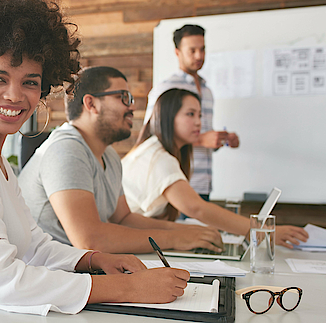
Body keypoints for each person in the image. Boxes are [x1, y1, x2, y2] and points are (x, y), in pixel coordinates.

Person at [0, 0, 189, 317]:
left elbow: (33, 245)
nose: (14, 96)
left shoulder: (0, 162)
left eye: (30, 82)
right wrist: (128, 288)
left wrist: (93, 259)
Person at [18, 66, 223, 254]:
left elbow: (123, 219)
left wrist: (187, 232)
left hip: (78, 271)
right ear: (91, 104)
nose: (132, 107)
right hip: (49, 277)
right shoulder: (66, 149)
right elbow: (90, 240)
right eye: (123, 97)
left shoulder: (109, 156)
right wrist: (175, 237)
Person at [122, 88, 309, 248]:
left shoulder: (157, 150)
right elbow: (197, 208)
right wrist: (260, 230)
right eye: (190, 114)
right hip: (126, 242)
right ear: (168, 117)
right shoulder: (158, 157)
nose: (198, 122)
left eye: (200, 115)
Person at [145, 24, 238, 202]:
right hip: (175, 182)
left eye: (203, 49)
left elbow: (197, 134)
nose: (199, 56)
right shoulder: (166, 88)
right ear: (177, 52)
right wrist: (202, 139)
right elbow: (152, 134)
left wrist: (220, 140)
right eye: (192, 50)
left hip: (204, 184)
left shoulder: (208, 91)